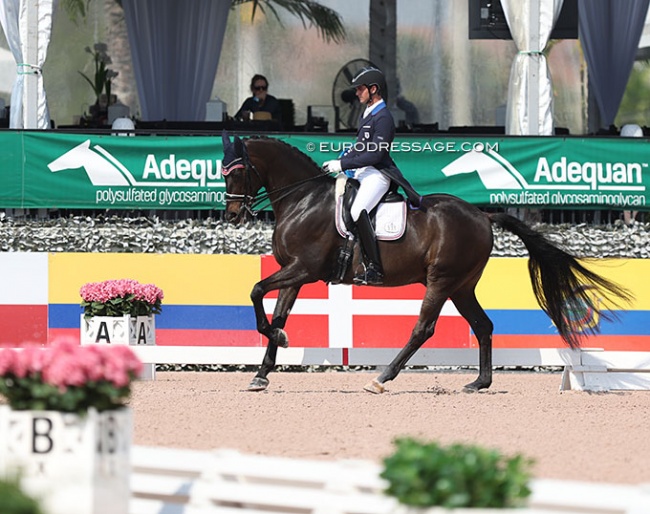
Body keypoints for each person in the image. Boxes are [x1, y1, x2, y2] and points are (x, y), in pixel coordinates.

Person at [322, 66, 422, 286]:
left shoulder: (384, 117)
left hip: (377, 174)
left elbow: (375, 154)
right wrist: (345, 156)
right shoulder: (367, 113)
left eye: (360, 89)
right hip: (363, 171)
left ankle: (375, 267)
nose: (356, 93)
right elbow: (361, 146)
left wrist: (343, 163)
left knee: (358, 211)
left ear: (373, 89)